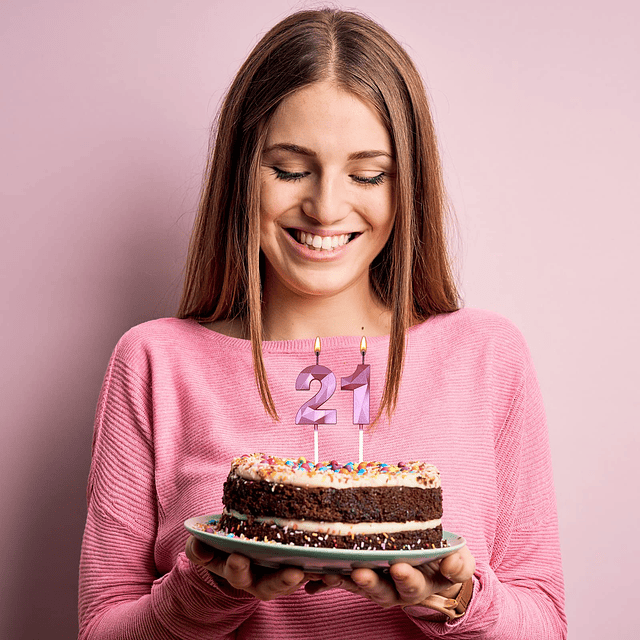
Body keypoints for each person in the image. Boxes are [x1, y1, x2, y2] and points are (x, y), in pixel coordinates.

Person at [78, 8, 567, 639]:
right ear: (240, 173)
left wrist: (458, 598)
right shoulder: (153, 362)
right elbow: (99, 628)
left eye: (368, 175)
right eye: (289, 169)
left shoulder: (488, 355)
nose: (326, 206)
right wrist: (204, 591)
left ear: (408, 186)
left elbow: (548, 627)